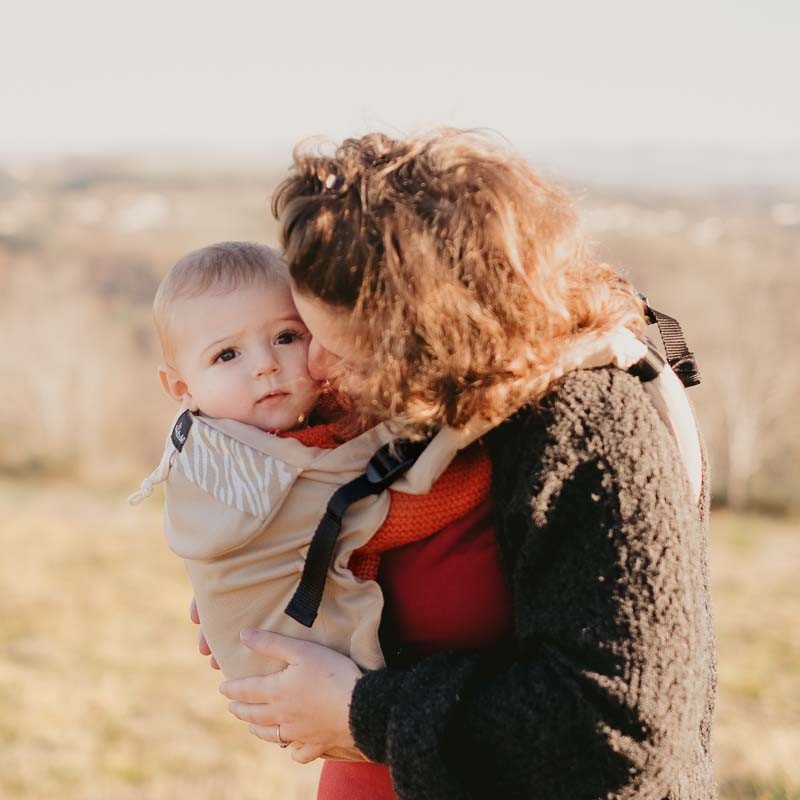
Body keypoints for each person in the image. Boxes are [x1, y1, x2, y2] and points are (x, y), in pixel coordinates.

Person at [210, 130, 716, 800]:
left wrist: (363, 713)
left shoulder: (590, 430)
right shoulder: (429, 398)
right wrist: (268, 595)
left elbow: (620, 732)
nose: (317, 369)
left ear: (433, 336)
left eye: (343, 348)